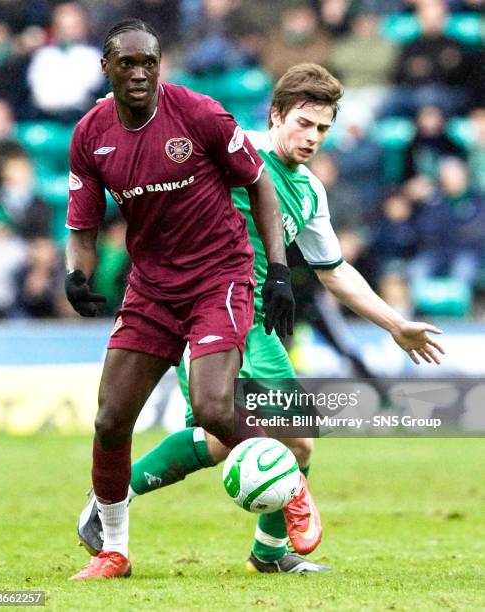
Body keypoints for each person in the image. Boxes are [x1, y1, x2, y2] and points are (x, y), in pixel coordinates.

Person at [77, 63, 445, 574]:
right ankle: (113, 497)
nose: (312, 137)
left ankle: (266, 553)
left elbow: (334, 273)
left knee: (285, 436)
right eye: (303, 123)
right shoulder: (231, 148)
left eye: (323, 129)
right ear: (276, 115)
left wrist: (395, 324)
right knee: (223, 427)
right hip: (203, 302)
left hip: (259, 320)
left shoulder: (311, 192)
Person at [65, 19, 295, 580]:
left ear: (160, 64)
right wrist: (79, 274)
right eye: (128, 63)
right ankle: (113, 550)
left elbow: (259, 183)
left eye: (150, 62)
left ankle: (289, 492)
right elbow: (83, 227)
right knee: (110, 420)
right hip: (151, 286)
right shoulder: (90, 135)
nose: (140, 73)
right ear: (107, 68)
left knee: (214, 407)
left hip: (219, 275)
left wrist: (281, 270)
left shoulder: (199, 114)